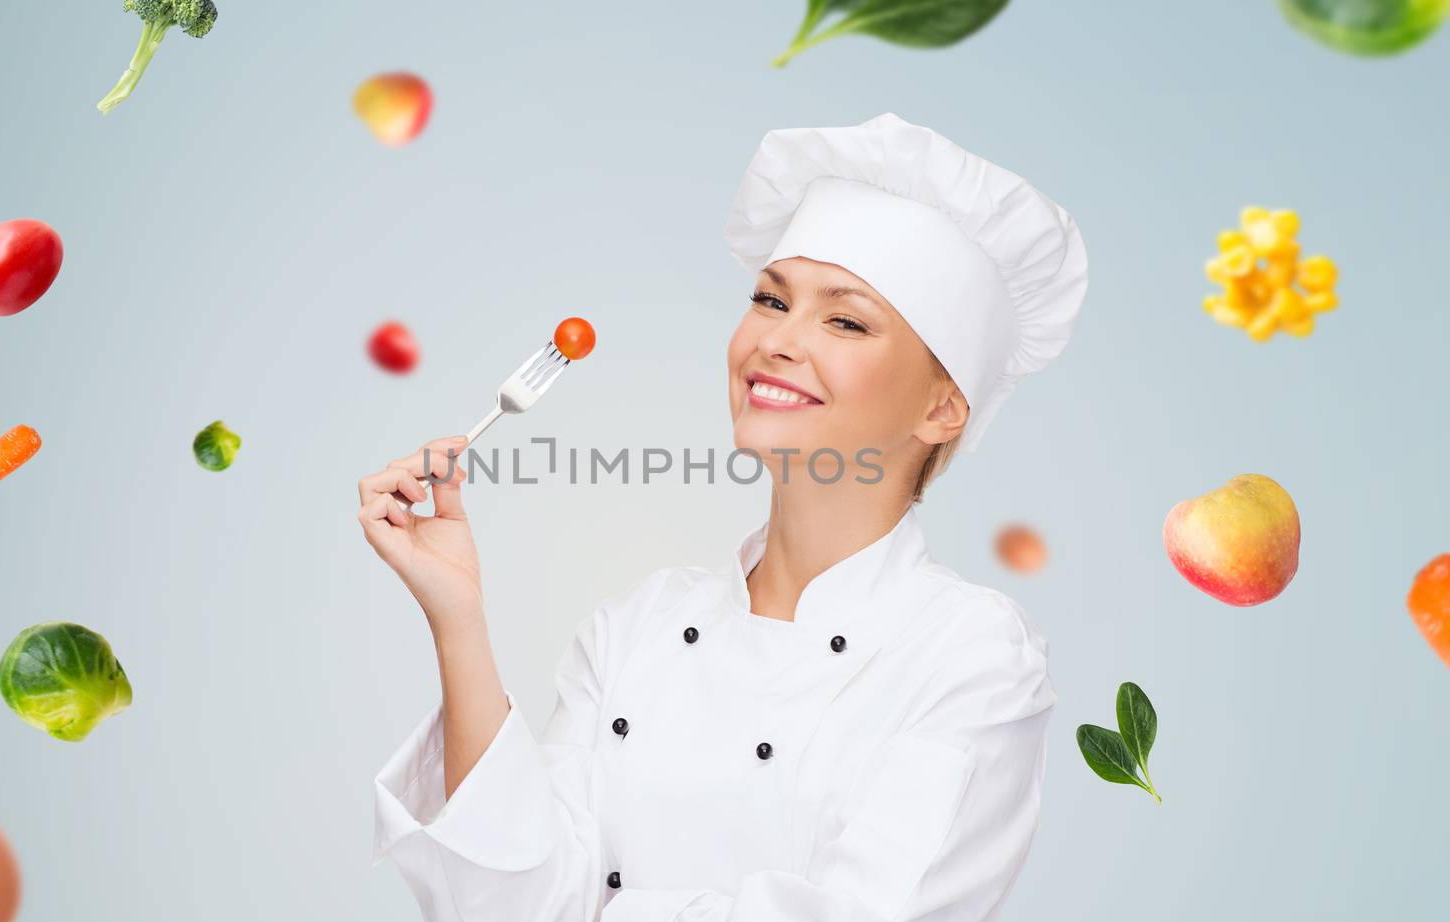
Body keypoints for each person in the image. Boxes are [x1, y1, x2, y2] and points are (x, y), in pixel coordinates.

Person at [357, 112, 1089, 922]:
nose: (777, 340)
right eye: (770, 301)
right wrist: (459, 619)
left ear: (943, 407)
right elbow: (501, 904)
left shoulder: (972, 658)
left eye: (844, 319)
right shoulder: (640, 625)